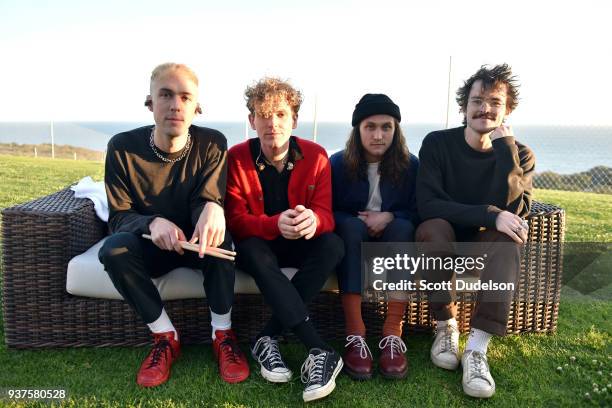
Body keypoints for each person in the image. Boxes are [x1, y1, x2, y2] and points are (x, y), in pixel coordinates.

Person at [98, 63, 249, 387]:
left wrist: (212, 207)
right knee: (113, 250)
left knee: (221, 239)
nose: (175, 105)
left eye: (185, 96)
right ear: (150, 102)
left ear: (197, 106)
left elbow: (206, 198)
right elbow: (119, 216)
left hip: (199, 245)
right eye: (165, 95)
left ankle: (222, 334)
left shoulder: (212, 142)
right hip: (152, 247)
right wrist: (153, 223)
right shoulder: (122, 148)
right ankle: (165, 337)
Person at [416, 64, 535, 398]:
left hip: (486, 243)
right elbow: (428, 204)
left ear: (506, 110)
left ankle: (476, 349)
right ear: (464, 106)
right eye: (477, 100)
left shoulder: (520, 154)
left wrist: (505, 148)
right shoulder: (438, 144)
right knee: (432, 229)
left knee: (507, 239)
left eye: (495, 102)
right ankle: (446, 327)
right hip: (446, 236)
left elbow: (515, 215)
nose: (485, 108)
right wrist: (487, 213)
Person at [225, 77, 344, 402]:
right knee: (250, 249)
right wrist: (275, 223)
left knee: (334, 244)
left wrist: (314, 221)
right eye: (263, 115)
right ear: (252, 120)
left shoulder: (317, 156)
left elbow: (327, 216)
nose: (272, 123)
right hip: (261, 247)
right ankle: (318, 348)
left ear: (293, 119)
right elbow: (235, 221)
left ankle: (266, 337)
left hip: (301, 244)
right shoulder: (236, 157)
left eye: (280, 114)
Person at [330, 94, 419, 380]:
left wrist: (390, 216)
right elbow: (328, 209)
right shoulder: (338, 164)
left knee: (404, 228)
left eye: (386, 127)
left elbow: (420, 210)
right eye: (370, 127)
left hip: (394, 236)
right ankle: (356, 335)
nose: (378, 135)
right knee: (351, 227)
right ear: (357, 129)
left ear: (396, 130)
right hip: (352, 237)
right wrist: (356, 219)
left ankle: (393, 334)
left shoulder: (410, 165)